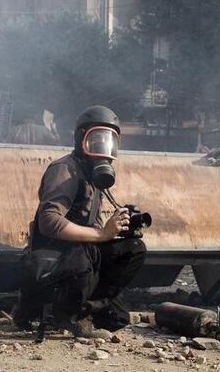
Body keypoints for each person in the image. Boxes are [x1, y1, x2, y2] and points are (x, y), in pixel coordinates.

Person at [13, 105, 146, 338]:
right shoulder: (65, 169)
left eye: (108, 141)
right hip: (54, 253)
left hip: (81, 251)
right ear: (81, 139)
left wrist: (116, 229)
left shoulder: (93, 177)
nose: (103, 148)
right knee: (86, 254)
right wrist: (102, 235)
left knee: (133, 252)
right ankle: (61, 313)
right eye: (96, 140)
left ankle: (85, 309)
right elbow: (49, 221)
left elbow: (93, 226)